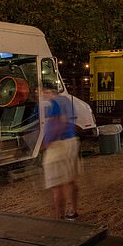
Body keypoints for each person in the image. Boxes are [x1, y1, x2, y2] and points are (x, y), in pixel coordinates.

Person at [42, 83, 81, 220]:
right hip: (71, 141)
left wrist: (49, 140)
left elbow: (58, 121)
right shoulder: (67, 101)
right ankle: (73, 210)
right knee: (71, 180)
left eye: (40, 92)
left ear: (46, 91)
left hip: (58, 146)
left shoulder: (53, 103)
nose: (39, 95)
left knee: (57, 185)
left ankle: (59, 218)